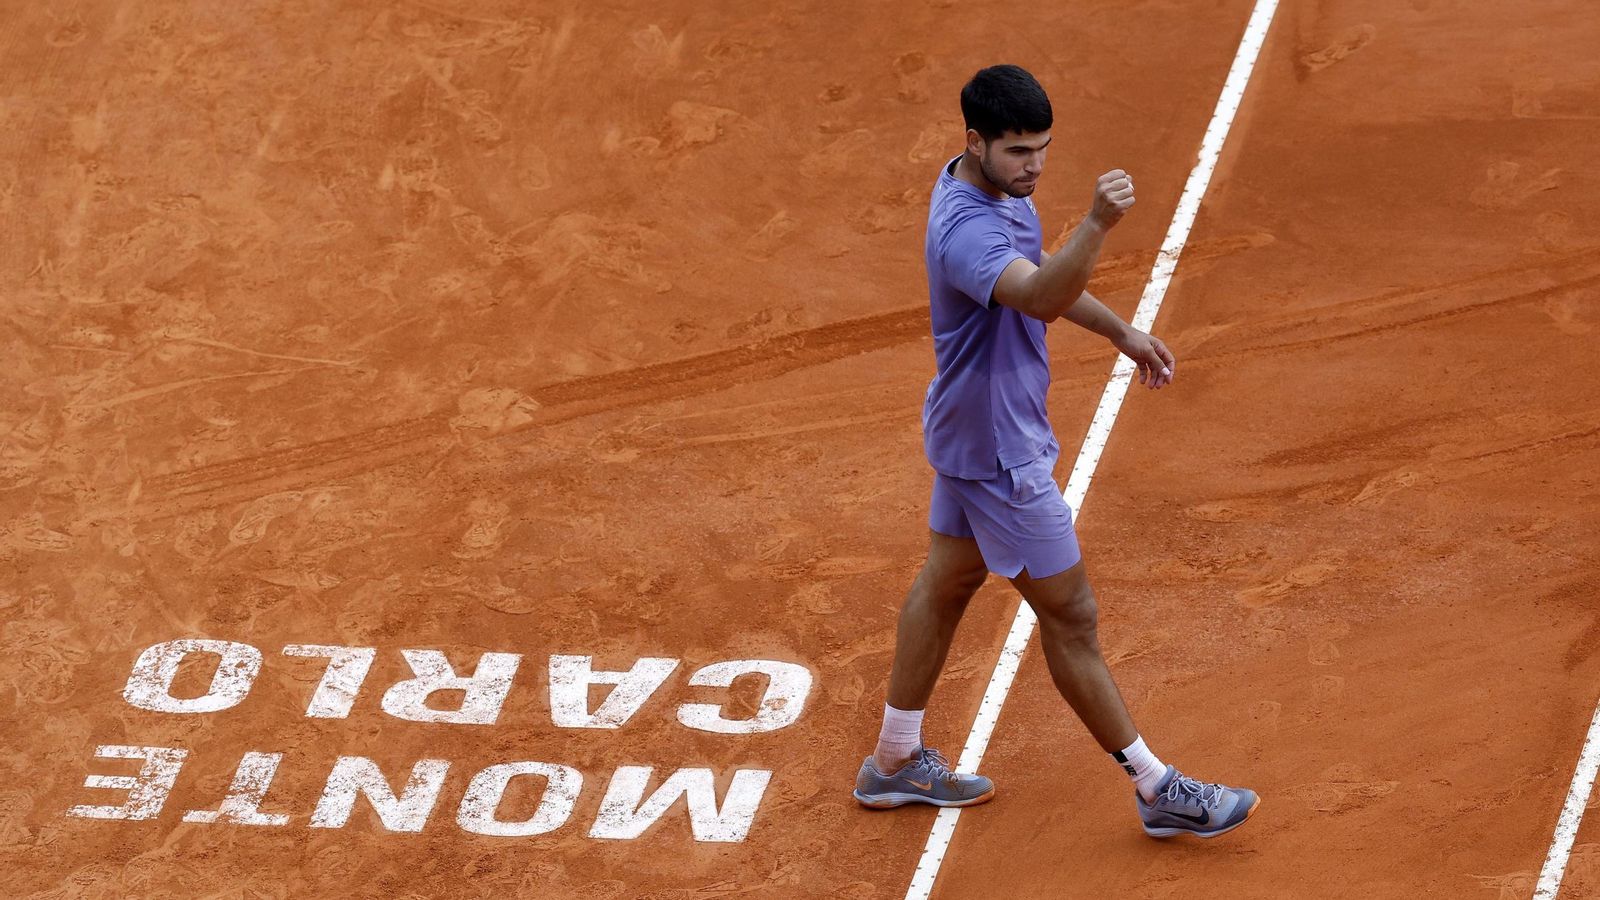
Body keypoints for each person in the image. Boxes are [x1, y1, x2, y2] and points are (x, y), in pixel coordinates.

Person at [851, 64, 1259, 839]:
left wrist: (1119, 330)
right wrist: (1098, 225)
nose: (1034, 165)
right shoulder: (965, 230)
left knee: (948, 581)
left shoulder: (992, 188)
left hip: (971, 430)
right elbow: (1037, 296)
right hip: (999, 452)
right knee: (1071, 614)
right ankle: (1157, 788)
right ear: (975, 141)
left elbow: (1041, 273)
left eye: (1042, 149)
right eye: (1018, 151)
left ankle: (894, 760)